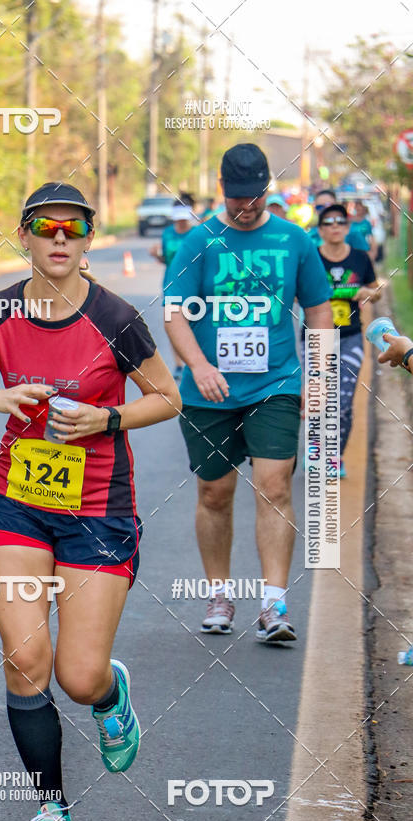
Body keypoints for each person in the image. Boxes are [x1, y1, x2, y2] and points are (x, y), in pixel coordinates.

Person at [0, 182, 181, 821]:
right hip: (15, 505)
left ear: (89, 239)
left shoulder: (118, 318)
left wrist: (109, 417)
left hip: (98, 513)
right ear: (26, 236)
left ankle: (109, 696)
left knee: (77, 675)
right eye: (47, 227)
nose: (60, 239)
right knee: (24, 658)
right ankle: (52, 810)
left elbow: (168, 397)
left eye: (74, 228)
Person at [164, 143, 333, 641]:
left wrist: (316, 376)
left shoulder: (294, 241)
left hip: (275, 383)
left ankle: (273, 606)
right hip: (207, 391)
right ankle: (219, 595)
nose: (247, 206)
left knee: (276, 486)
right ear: (223, 190)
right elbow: (175, 311)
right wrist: (198, 365)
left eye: (255, 197)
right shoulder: (198, 243)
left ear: (268, 189)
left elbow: (319, 308)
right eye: (238, 198)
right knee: (214, 492)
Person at [303, 203, 381, 478]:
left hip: (350, 338)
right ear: (320, 230)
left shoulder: (360, 258)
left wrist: (365, 293)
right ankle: (315, 450)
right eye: (328, 222)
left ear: (347, 228)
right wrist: (340, 292)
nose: (334, 226)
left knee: (344, 402)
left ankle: (335, 455)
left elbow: (375, 291)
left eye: (340, 222)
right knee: (317, 399)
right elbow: (299, 295)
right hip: (315, 339)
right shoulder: (311, 258)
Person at [150, 201, 195, 380]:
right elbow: (166, 259)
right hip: (171, 283)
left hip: (193, 284)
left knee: (193, 324)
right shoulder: (168, 233)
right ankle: (179, 365)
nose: (181, 222)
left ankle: (194, 362)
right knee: (173, 322)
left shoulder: (196, 234)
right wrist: (156, 255)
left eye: (184, 219)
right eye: (178, 219)